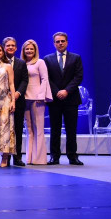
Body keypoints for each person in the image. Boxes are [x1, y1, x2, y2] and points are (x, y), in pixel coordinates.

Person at [43, 32, 85, 165]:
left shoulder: (76, 58)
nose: (60, 43)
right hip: (55, 100)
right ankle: (54, 156)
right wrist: (57, 92)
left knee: (71, 129)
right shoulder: (47, 59)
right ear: (54, 43)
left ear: (67, 42)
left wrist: (66, 91)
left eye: (62, 41)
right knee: (55, 129)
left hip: (71, 98)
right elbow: (47, 79)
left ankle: (73, 156)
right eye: (57, 41)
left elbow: (78, 77)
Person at [22, 39, 53, 165]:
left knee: (38, 128)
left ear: (35, 50)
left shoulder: (40, 62)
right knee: (29, 129)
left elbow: (45, 79)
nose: (29, 51)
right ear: (23, 51)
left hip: (37, 98)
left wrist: (42, 95)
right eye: (27, 49)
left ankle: (39, 159)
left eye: (31, 49)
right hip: (25, 98)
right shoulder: (21, 63)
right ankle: (29, 158)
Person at [3, 37, 28, 166]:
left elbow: (25, 80)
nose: (10, 47)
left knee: (17, 129)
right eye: (8, 45)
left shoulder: (21, 63)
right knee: (5, 130)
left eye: (13, 45)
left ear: (16, 48)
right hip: (1, 102)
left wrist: (17, 93)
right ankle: (5, 158)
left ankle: (17, 157)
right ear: (4, 48)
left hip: (18, 101)